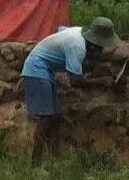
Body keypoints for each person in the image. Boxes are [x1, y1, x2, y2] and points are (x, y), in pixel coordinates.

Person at [22, 16, 118, 163]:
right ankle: (35, 164)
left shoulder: (78, 32)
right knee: (47, 117)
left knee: (55, 116)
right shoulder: (77, 47)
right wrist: (101, 82)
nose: (100, 51)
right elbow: (75, 81)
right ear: (94, 44)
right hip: (36, 69)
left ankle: (53, 159)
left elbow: (59, 30)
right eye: (100, 47)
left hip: (44, 70)